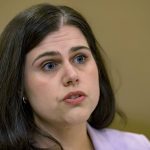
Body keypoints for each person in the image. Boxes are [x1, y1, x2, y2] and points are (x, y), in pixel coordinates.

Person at [0, 3, 149, 150]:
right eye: (49, 65)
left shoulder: (136, 146)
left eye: (80, 58)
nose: (72, 75)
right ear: (19, 86)